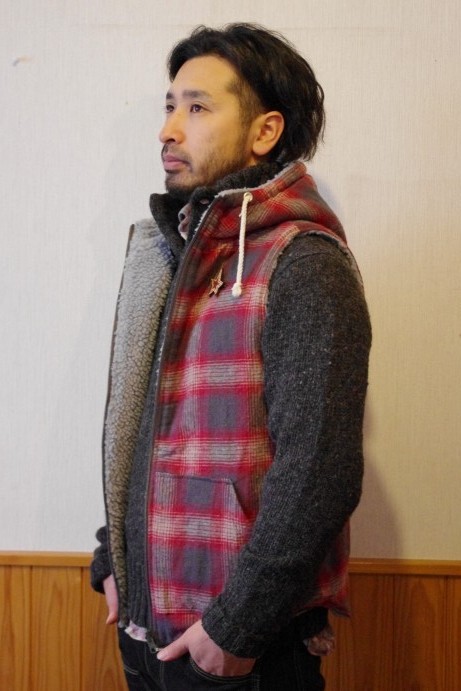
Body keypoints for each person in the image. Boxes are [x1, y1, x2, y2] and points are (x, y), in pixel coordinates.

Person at [90, 23, 371, 690]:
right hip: (147, 634)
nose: (168, 130)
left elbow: (320, 471)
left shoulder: (303, 263)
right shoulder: (171, 256)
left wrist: (234, 629)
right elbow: (144, 431)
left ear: (264, 130)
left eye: (197, 107)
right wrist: (112, 554)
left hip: (241, 652)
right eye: (169, 106)